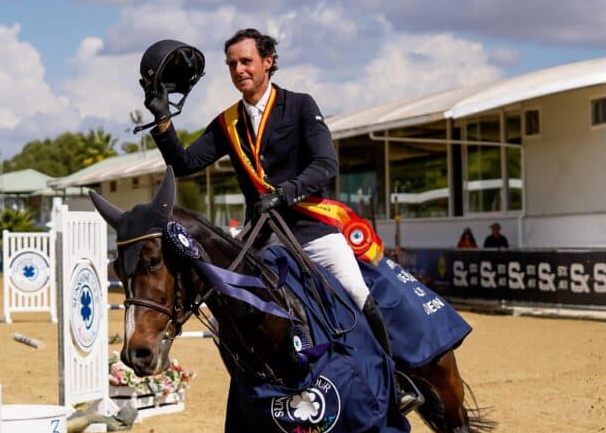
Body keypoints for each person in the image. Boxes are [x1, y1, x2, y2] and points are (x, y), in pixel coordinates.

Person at [143, 28, 421, 412]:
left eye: (246, 61)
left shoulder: (301, 106)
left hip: (310, 228)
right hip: (262, 236)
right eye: (232, 64)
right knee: (231, 316)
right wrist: (162, 121)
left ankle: (395, 380)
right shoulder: (228, 123)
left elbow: (326, 164)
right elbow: (185, 163)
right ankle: (251, 410)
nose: (239, 70)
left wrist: (285, 192)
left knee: (357, 293)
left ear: (267, 62)